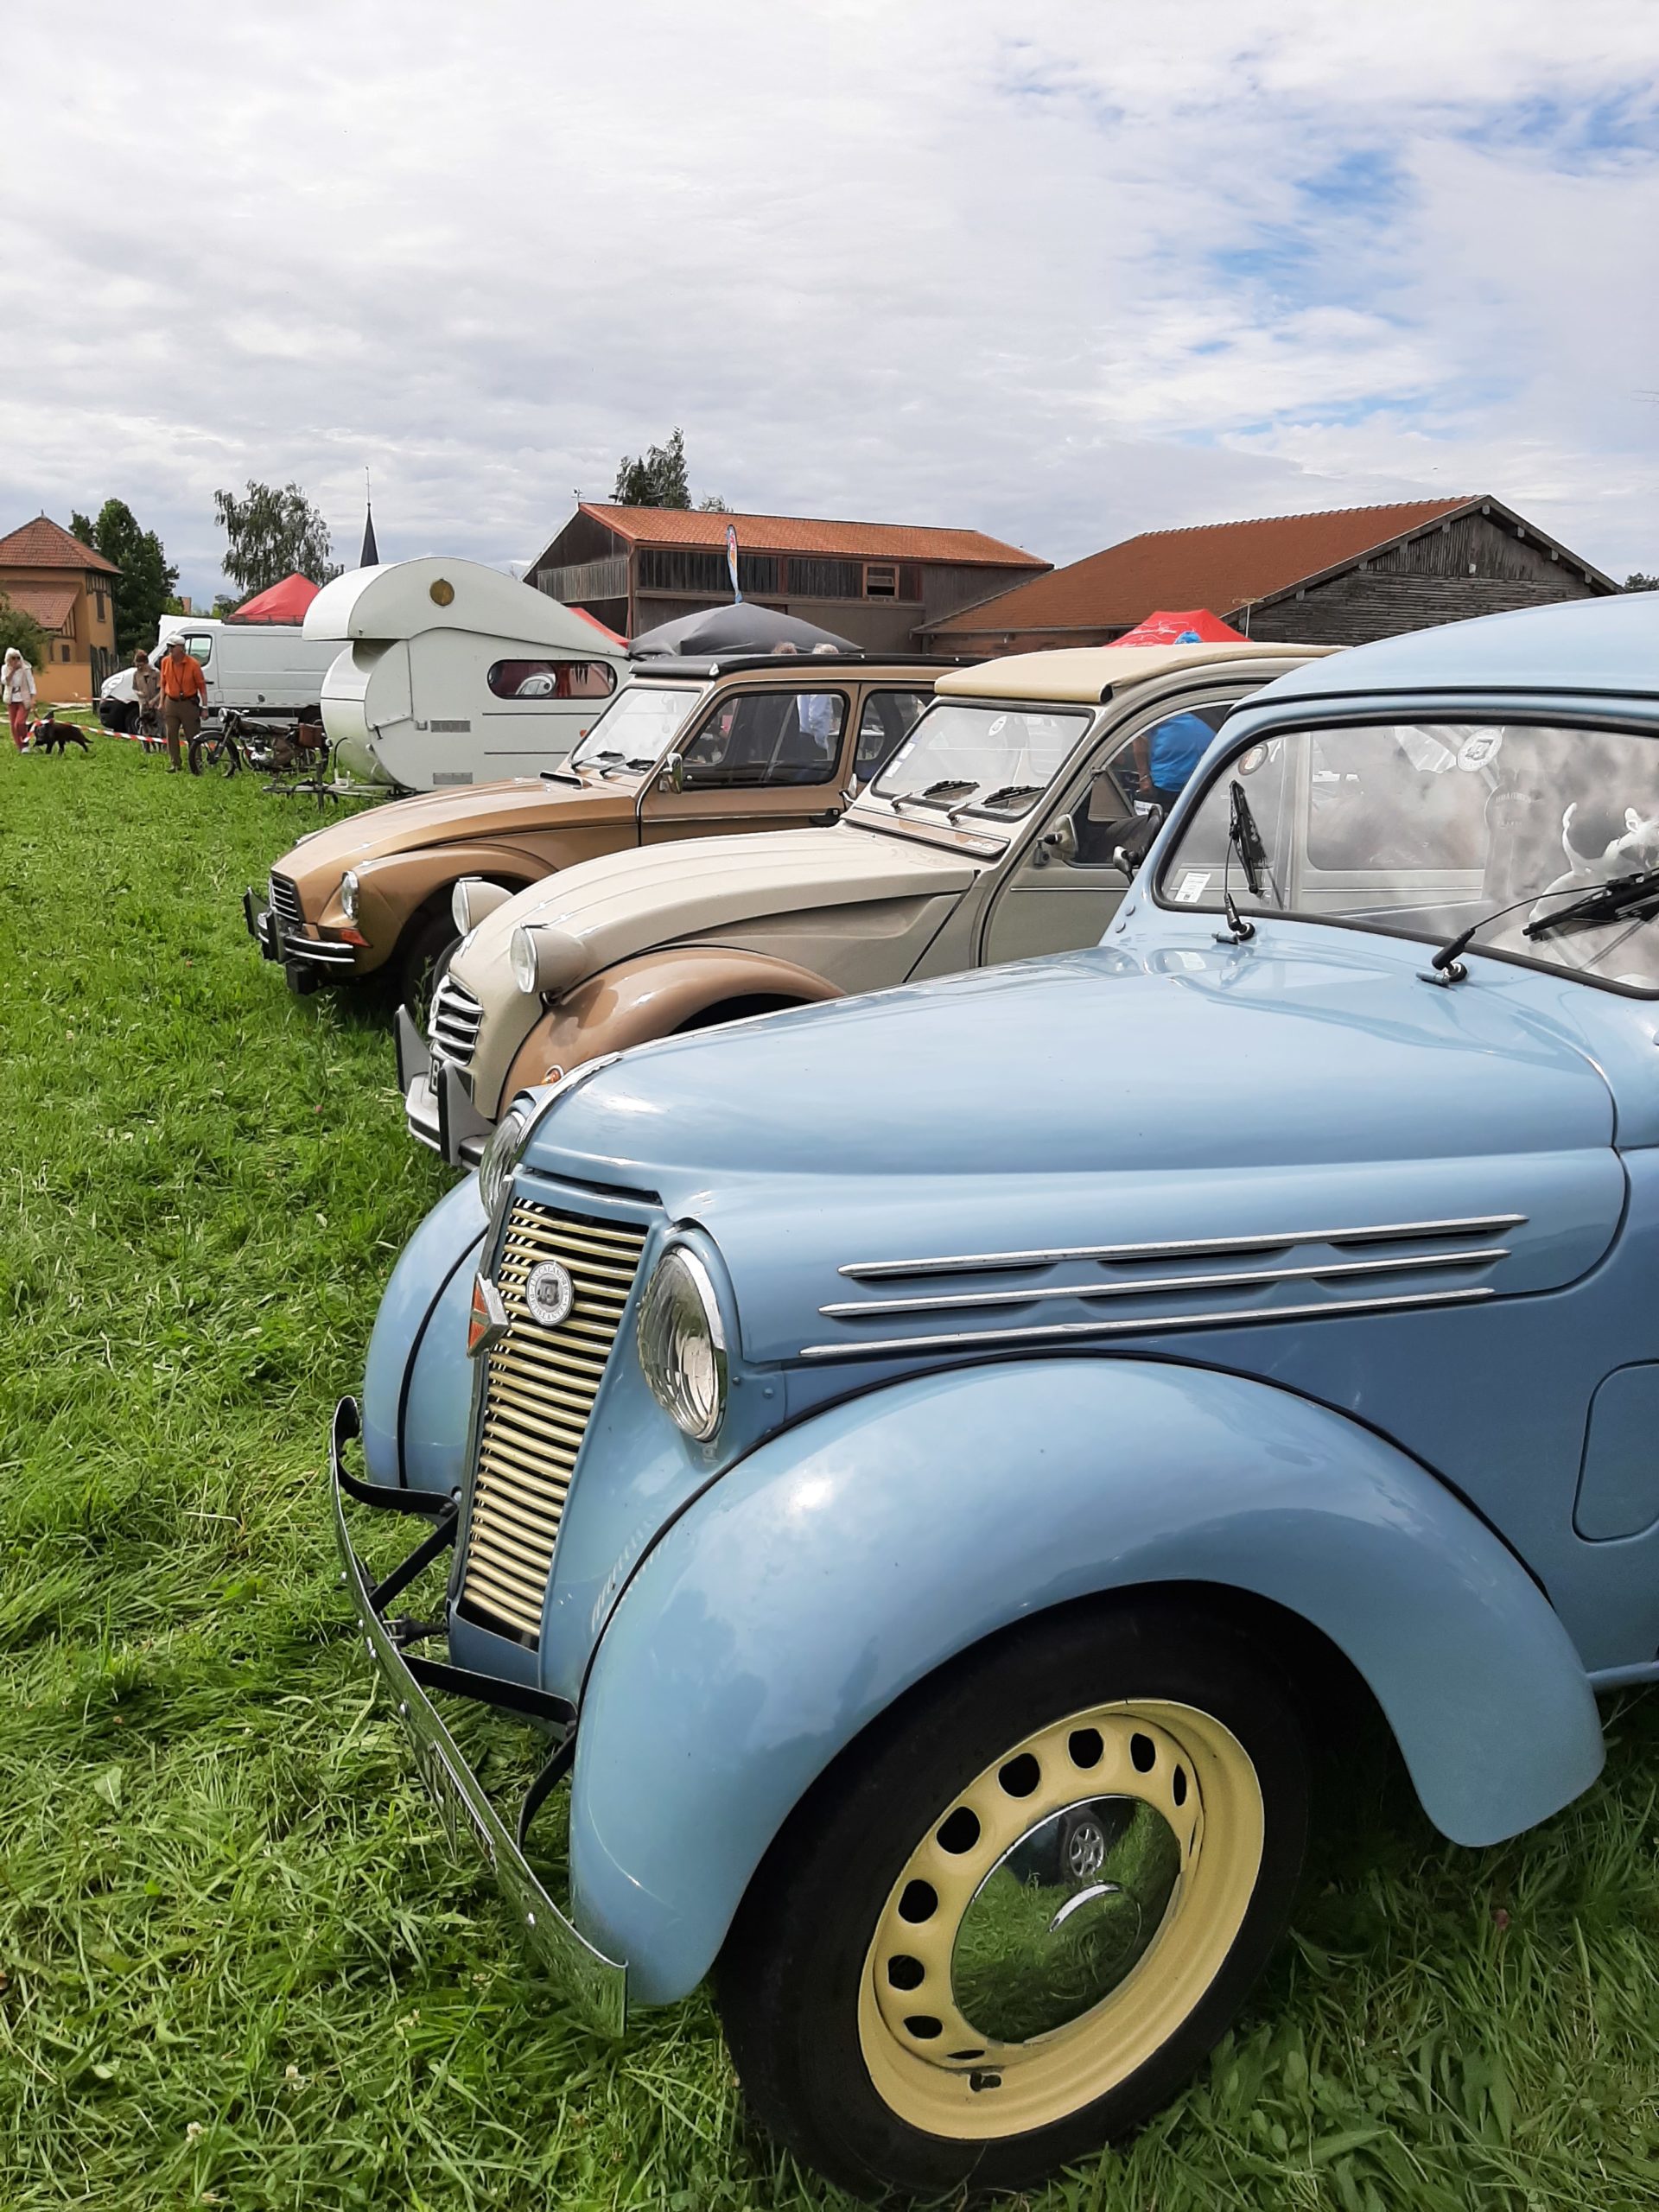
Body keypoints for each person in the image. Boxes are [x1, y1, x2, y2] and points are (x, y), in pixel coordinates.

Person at [156, 636, 207, 771]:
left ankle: (196, 763)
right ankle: (175, 763)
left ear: (181, 648)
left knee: (192, 734)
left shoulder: (193, 664)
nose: (170, 650)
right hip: (171, 702)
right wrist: (161, 702)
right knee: (171, 733)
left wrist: (205, 707)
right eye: (169, 647)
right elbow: (163, 684)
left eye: (172, 647)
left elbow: (202, 687)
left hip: (188, 703)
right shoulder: (165, 662)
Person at [3, 646, 36, 751]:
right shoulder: (5, 668)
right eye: (13, 658)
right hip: (11, 699)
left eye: (18, 658)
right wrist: (13, 670)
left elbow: (31, 684)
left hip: (24, 699)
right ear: (8, 659)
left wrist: (33, 699)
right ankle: (20, 746)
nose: (16, 660)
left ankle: (25, 743)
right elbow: (5, 681)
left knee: (20, 723)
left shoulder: (26, 669)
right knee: (13, 725)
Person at [132, 648, 161, 749]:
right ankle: (146, 749)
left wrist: (154, 701)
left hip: (156, 705)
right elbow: (134, 688)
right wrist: (139, 693)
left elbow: (162, 690)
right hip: (144, 706)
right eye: (137, 665)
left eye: (140, 665)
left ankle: (162, 749)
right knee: (144, 728)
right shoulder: (136, 674)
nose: (139, 667)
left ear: (146, 663)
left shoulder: (156, 673)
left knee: (158, 727)